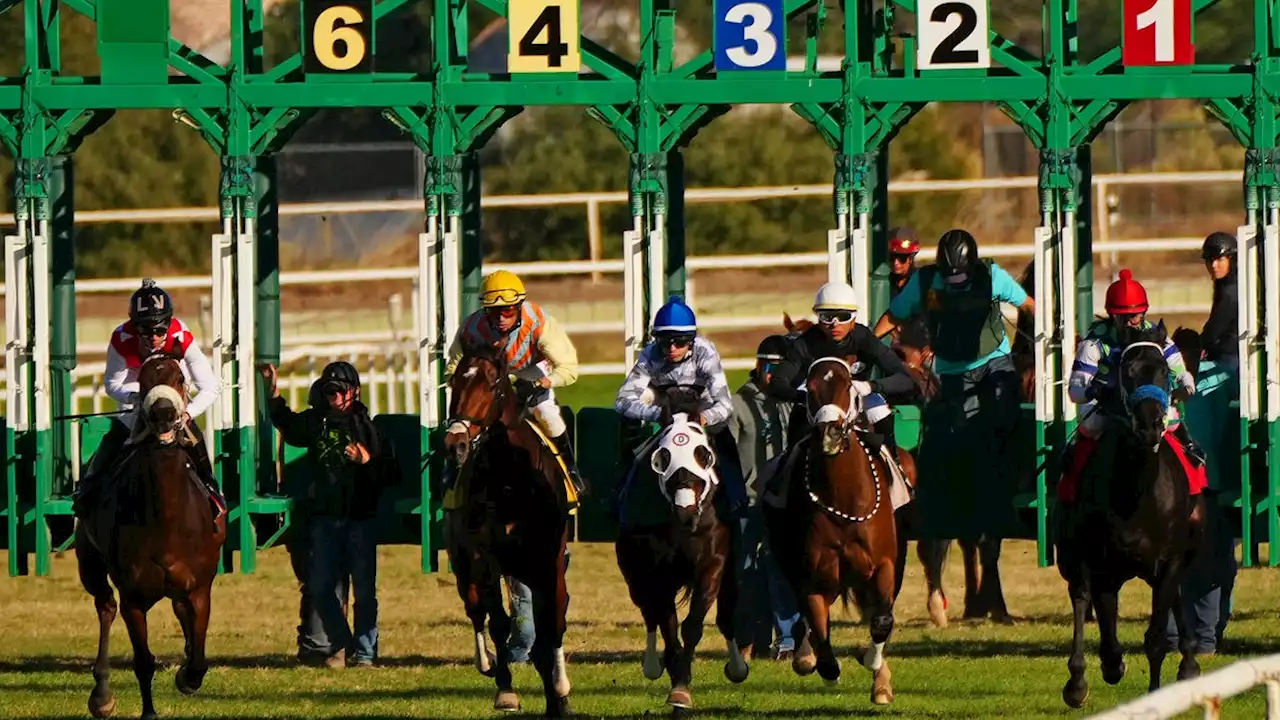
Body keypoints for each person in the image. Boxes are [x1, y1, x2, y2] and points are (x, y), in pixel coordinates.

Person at [261, 360, 399, 668]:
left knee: (364, 592)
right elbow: (288, 424)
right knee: (322, 588)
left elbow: (391, 473)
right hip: (325, 519)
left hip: (360, 519)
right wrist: (272, 393)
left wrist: (367, 461)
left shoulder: (369, 428)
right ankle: (345, 642)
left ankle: (364, 654)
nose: (334, 398)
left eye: (339, 392)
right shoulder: (316, 422)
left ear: (355, 392)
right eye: (329, 392)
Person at [73, 278, 223, 530]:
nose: (153, 337)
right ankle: (89, 490)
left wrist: (188, 413)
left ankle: (212, 492)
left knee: (196, 441)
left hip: (175, 406)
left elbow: (210, 386)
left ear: (169, 325)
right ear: (134, 327)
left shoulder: (181, 338)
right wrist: (137, 398)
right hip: (137, 404)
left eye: (159, 330)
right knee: (112, 440)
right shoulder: (121, 339)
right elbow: (113, 384)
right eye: (145, 331)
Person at [1160, 232, 1241, 657]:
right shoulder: (1225, 286)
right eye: (1208, 260)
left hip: (1231, 365)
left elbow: (1217, 331)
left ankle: (1195, 636)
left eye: (1219, 259)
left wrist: (1198, 348)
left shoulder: (1233, 289)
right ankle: (1195, 635)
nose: (1213, 266)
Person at [443, 269, 586, 500]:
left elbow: (569, 368)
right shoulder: (471, 328)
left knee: (545, 412)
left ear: (519, 306)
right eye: (493, 311)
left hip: (529, 370)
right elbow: (454, 364)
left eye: (508, 310)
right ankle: (452, 471)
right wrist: (457, 380)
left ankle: (570, 472)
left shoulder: (540, 323)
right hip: (487, 375)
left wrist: (542, 383)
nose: (501, 317)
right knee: (461, 417)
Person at [1060, 268, 1202, 495]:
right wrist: (1094, 391)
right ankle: (1070, 482)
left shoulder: (1158, 336)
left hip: (1148, 402)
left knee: (1172, 421)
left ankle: (1194, 474)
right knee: (1090, 424)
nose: (1131, 322)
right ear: (1112, 315)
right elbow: (1075, 391)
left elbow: (1181, 372)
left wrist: (1186, 386)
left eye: (1135, 315)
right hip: (1108, 405)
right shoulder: (1095, 343)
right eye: (1123, 317)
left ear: (1144, 313)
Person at [614, 296, 748, 511]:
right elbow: (622, 400)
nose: (672, 348)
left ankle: (736, 494)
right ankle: (622, 486)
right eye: (665, 342)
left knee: (722, 431)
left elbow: (724, 404)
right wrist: (656, 414)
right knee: (628, 417)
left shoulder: (706, 352)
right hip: (664, 402)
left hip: (699, 404)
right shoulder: (651, 354)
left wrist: (704, 418)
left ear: (692, 340)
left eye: (680, 342)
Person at [768, 281, 917, 465]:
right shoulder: (804, 344)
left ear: (854, 319)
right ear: (818, 318)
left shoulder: (864, 339)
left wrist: (870, 386)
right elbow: (777, 383)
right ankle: (784, 475)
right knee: (798, 417)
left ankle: (894, 468)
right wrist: (806, 396)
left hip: (857, 394)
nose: (834, 324)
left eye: (842, 316)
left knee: (879, 411)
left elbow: (905, 379)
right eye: (827, 317)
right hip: (820, 399)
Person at [730, 335, 800, 660]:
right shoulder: (738, 403)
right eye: (767, 365)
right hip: (748, 501)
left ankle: (787, 638)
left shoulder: (790, 402)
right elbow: (725, 454)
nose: (772, 373)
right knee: (745, 571)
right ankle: (749, 638)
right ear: (757, 365)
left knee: (780, 568)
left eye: (779, 366)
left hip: (782, 502)